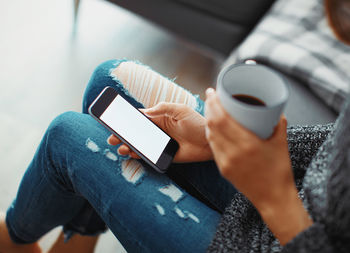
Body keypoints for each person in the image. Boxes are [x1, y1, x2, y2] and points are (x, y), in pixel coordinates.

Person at [0, 0, 349, 252]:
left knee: (68, 136)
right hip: (296, 191)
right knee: (110, 80)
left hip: (279, 235)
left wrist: (274, 198)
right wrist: (215, 141)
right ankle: (78, 236)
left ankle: (12, 239)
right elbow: (336, 147)